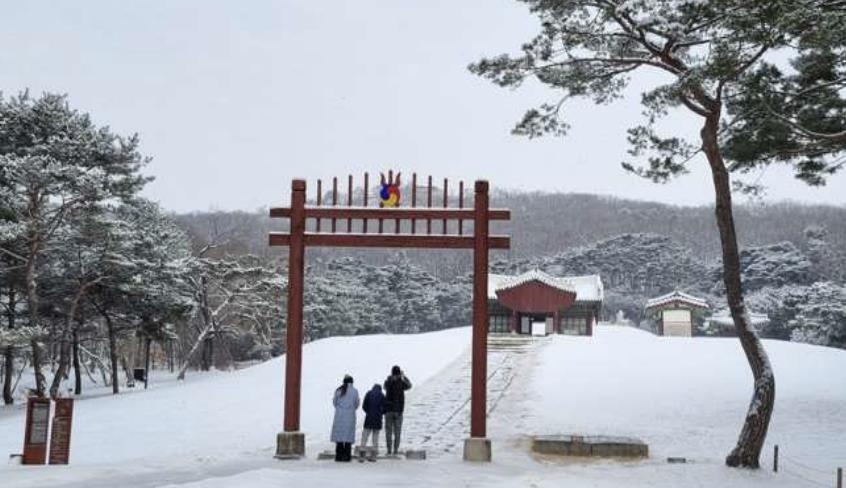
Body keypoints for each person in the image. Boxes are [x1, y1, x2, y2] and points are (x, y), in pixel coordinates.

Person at [383, 365, 412, 456]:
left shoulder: (388, 382)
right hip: (398, 411)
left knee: (388, 431)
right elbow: (409, 385)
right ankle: (395, 450)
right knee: (397, 432)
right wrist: (403, 376)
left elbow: (384, 387)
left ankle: (389, 450)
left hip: (388, 411)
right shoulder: (401, 382)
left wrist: (391, 378)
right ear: (399, 373)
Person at [331, 374, 359, 462]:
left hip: (339, 415)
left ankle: (338, 456)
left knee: (339, 437)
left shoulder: (338, 390)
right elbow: (356, 403)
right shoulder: (355, 391)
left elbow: (334, 402)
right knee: (347, 437)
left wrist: (340, 408)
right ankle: (347, 456)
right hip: (350, 415)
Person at [360, 383, 386, 461]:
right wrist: (380, 413)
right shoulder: (382, 395)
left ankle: (362, 455)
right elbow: (385, 408)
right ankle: (373, 456)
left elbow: (364, 406)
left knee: (364, 437)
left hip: (369, 418)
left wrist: (369, 412)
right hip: (378, 419)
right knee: (375, 438)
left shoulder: (368, 393)